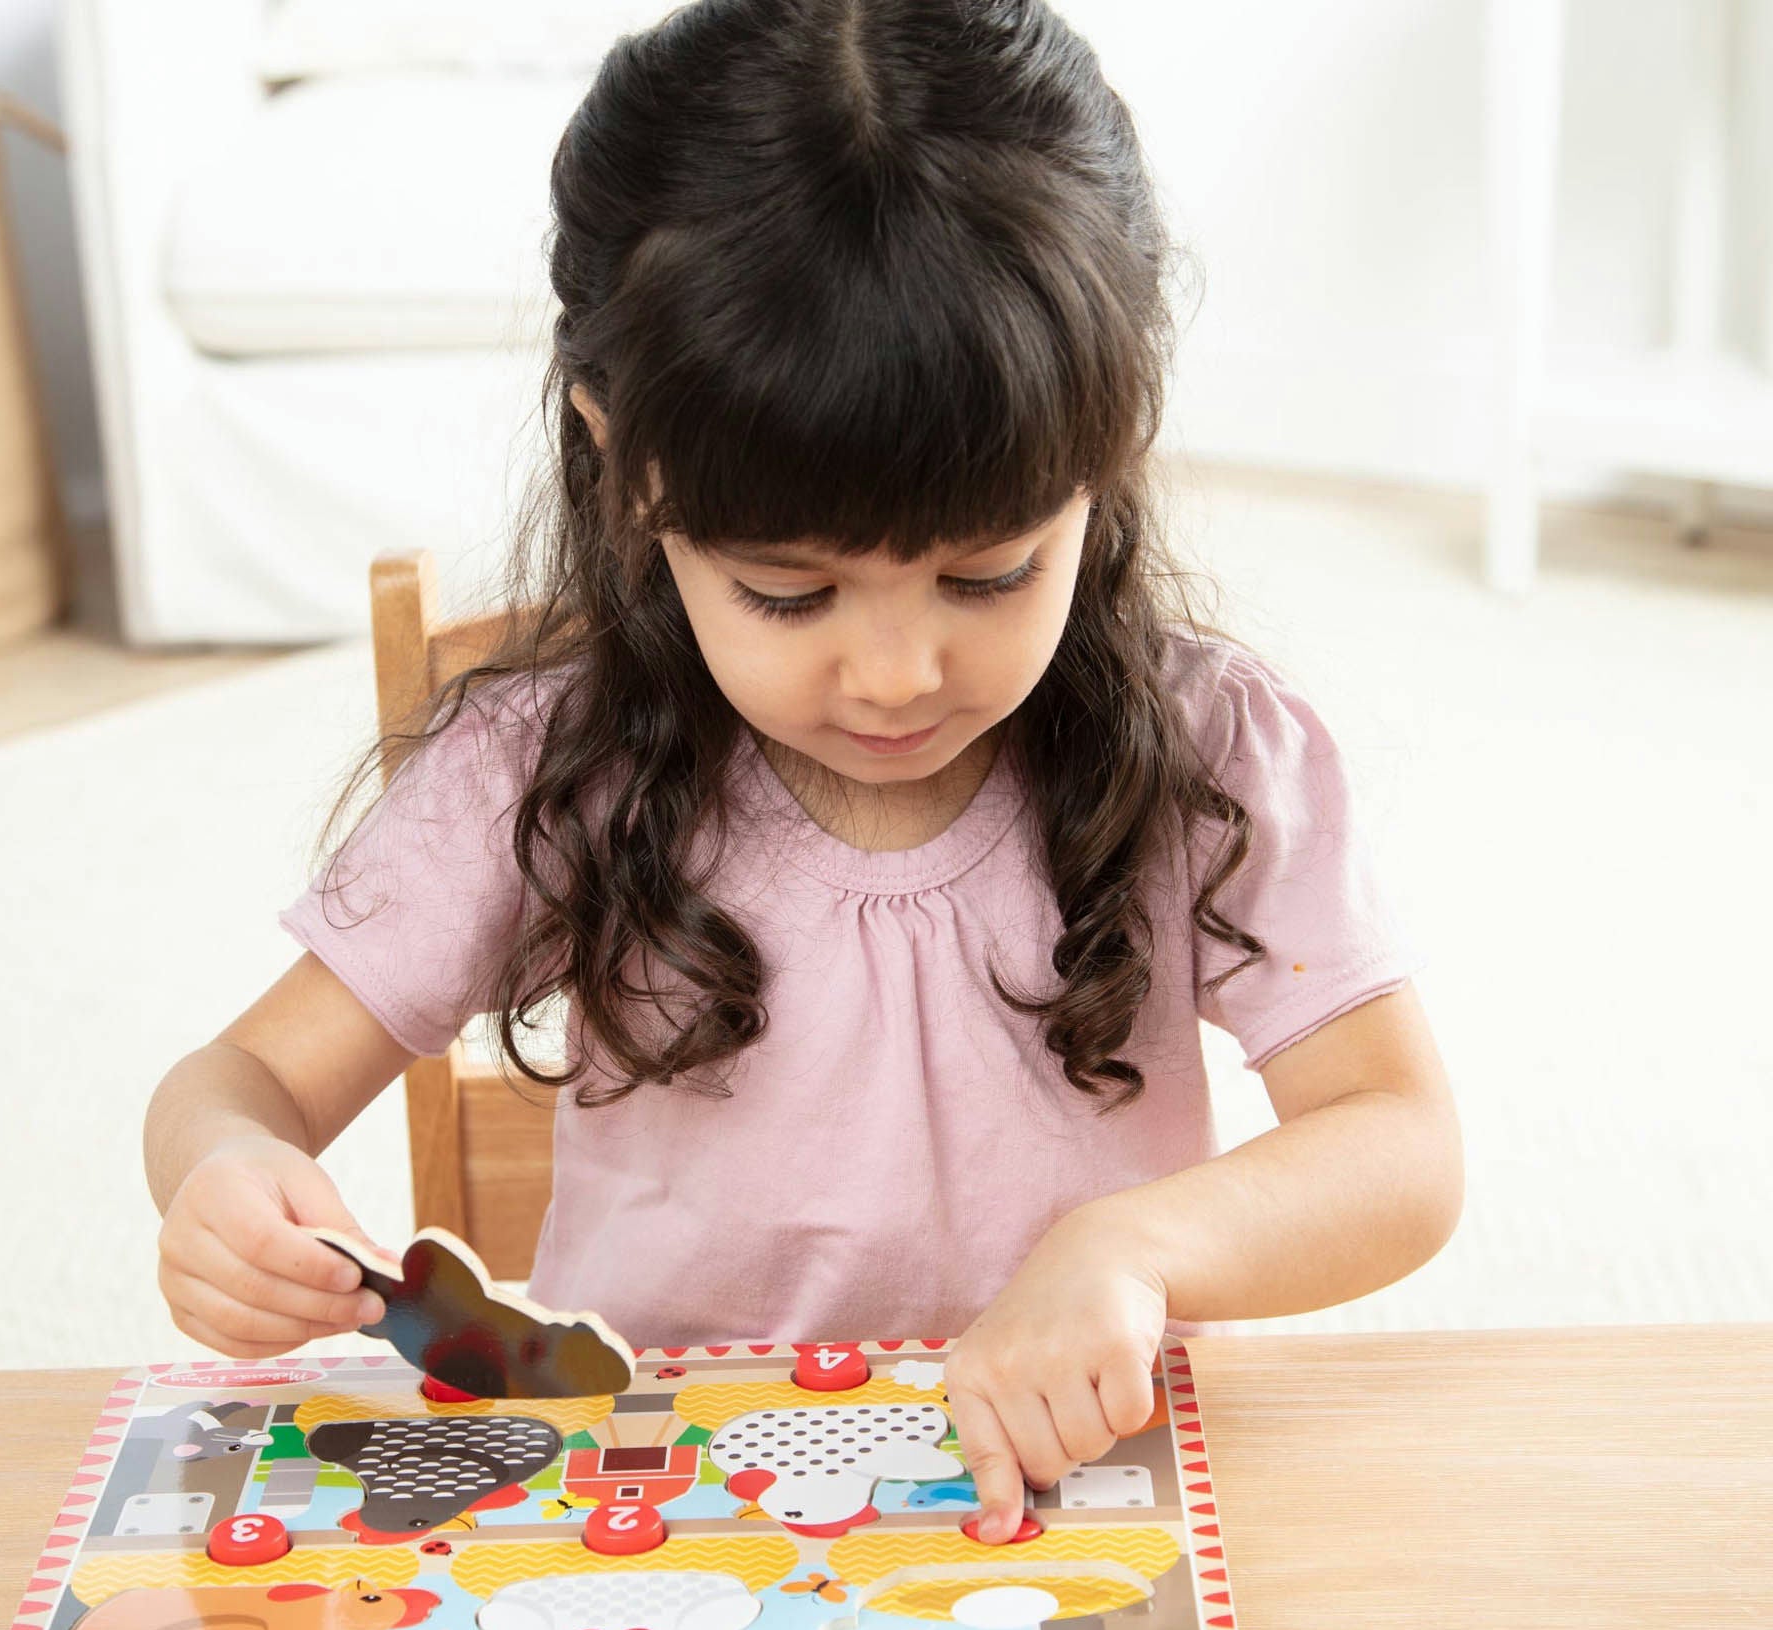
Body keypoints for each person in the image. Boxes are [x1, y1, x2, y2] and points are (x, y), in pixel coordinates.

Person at [143, 0, 1463, 1543]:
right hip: (656, 1517)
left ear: (1101, 465)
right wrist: (223, 1171)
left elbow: (1402, 1143)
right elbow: (236, 1083)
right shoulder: (541, 774)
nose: (896, 674)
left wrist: (1137, 1247)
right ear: (626, 464)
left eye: (988, 575)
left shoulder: (1207, 755)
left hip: (1065, 1502)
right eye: (789, 592)